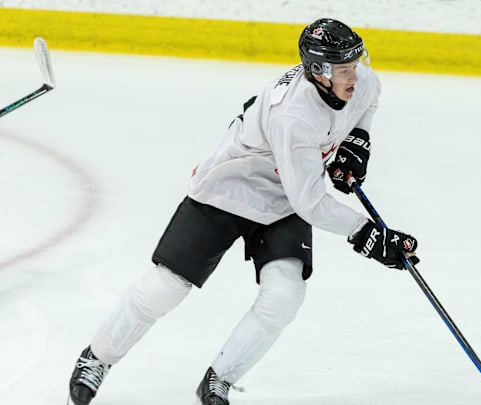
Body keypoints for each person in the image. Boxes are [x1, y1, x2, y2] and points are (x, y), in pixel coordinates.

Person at [67, 17, 419, 405]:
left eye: (355, 64)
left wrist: (358, 137)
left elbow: (369, 97)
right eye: (344, 70)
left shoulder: (361, 81)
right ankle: (97, 357)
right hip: (228, 190)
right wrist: (365, 233)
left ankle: (220, 378)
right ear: (318, 72)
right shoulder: (294, 115)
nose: (355, 76)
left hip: (284, 197)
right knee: (164, 288)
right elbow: (312, 203)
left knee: (284, 295)